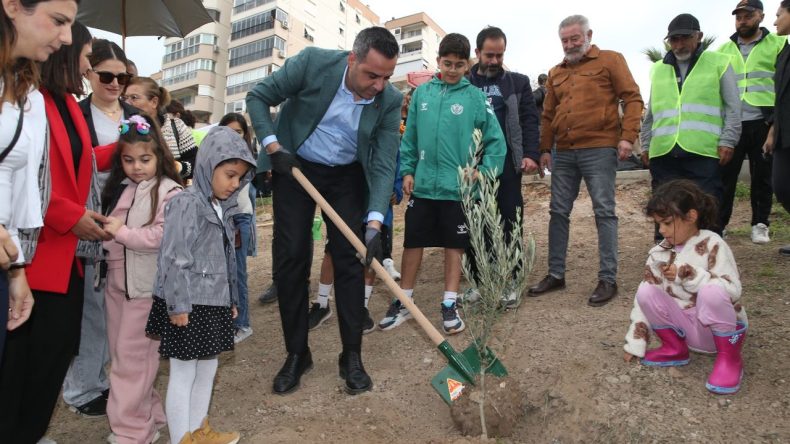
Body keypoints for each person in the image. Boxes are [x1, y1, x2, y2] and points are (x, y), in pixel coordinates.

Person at [246, 26, 402, 396]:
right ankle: (298, 353)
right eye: (372, 75)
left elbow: (382, 163)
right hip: (295, 165)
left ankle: (351, 356)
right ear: (352, 60)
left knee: (351, 259)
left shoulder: (389, 99)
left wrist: (375, 222)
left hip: (347, 175)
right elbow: (258, 96)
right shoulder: (313, 64)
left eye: (387, 77)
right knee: (292, 258)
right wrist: (272, 146)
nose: (379, 85)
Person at [0, 17, 107, 444]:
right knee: (22, 368)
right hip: (38, 251)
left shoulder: (65, 104)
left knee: (50, 361)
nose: (87, 65)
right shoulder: (31, 99)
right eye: (86, 56)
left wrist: (133, 142)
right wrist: (69, 217)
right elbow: (36, 182)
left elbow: (79, 163)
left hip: (66, 260)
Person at [378, 33, 506, 334]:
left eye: (459, 65)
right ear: (437, 61)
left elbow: (496, 142)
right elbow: (409, 138)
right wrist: (407, 170)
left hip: (458, 190)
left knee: (454, 245)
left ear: (468, 65)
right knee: (413, 242)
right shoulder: (422, 94)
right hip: (423, 186)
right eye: (447, 63)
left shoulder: (475, 97)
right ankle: (405, 301)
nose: (452, 70)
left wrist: (483, 172)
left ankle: (449, 303)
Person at [145, 126, 254, 444]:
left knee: (208, 367)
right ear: (208, 165)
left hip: (214, 301)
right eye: (230, 175)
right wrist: (177, 304)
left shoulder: (226, 208)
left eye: (240, 178)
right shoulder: (186, 203)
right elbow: (173, 257)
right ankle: (181, 438)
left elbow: (227, 259)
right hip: (188, 303)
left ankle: (198, 430)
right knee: (183, 371)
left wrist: (231, 297)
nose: (235, 184)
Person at [528, 15, 643, 306]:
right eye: (565, 40)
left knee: (604, 211)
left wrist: (627, 136)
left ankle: (608, 278)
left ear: (588, 35)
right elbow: (549, 115)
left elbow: (633, 98)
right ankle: (556, 273)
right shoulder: (556, 72)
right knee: (557, 211)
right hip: (564, 152)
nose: (569, 44)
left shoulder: (610, 60)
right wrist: (544, 148)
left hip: (599, 148)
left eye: (574, 38)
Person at [62, 37, 137, 419]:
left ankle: (106, 379)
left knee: (121, 308)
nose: (114, 84)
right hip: (90, 225)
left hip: (130, 224)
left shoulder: (135, 115)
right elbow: (69, 164)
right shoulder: (74, 115)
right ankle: (82, 386)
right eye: (106, 75)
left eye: (122, 77)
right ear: (89, 73)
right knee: (93, 309)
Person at [623, 179, 747, 394]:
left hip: (715, 333)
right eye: (658, 224)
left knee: (712, 289)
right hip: (684, 329)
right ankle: (674, 348)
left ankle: (730, 359)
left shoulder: (713, 244)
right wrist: (636, 341)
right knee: (645, 290)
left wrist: (688, 274)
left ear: (691, 216)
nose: (661, 230)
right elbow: (641, 303)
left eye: (667, 223)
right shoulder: (659, 254)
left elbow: (732, 290)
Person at [101, 113, 181, 444]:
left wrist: (123, 233)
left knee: (132, 363)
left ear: (159, 156)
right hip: (117, 286)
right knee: (126, 359)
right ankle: (150, 418)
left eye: (144, 159)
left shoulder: (169, 191)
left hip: (147, 291)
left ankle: (133, 433)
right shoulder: (121, 189)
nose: (136, 167)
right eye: (129, 159)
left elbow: (164, 237)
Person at [0, 0, 73, 365]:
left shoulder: (27, 92)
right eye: (58, 21)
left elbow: (17, 186)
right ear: (13, 6)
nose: (67, 37)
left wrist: (16, 270)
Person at [641, 13, 741, 240]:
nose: (679, 44)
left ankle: (708, 254)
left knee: (705, 207)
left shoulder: (719, 62)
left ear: (699, 36)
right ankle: (665, 257)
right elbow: (651, 113)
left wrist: (728, 140)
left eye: (684, 38)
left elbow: (733, 107)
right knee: (664, 207)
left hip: (703, 151)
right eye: (673, 40)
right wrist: (646, 145)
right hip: (664, 151)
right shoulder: (658, 69)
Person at [468, 26, 540, 306]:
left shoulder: (518, 82)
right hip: (473, 164)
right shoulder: (465, 82)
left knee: (511, 221)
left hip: (508, 164)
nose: (494, 61)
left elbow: (529, 120)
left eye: (499, 55)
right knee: (477, 221)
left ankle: (512, 281)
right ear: (477, 53)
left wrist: (531, 154)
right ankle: (479, 281)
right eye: (489, 55)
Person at [717, 0, 783, 244]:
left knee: (763, 175)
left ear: (761, 16)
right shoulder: (723, 50)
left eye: (747, 15)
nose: (742, 20)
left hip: (764, 121)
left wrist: (776, 122)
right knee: (725, 176)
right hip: (734, 122)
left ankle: (760, 223)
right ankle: (720, 224)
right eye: (738, 16)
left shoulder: (779, 44)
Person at [219, 112, 258, 344]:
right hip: (221, 218)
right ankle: (229, 320)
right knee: (222, 274)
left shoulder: (245, 160)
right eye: (228, 130)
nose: (233, 136)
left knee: (238, 274)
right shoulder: (216, 155)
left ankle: (242, 324)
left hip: (238, 219)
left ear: (245, 135)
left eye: (238, 132)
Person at [124, 76, 198, 180]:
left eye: (134, 97)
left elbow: (196, 162)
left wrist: (178, 167)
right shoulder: (124, 128)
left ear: (154, 102)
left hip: (170, 193)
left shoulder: (176, 126)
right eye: (125, 98)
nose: (127, 103)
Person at [767, 0, 790, 256]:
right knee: (782, 185)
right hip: (785, 132)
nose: (775, 21)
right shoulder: (784, 52)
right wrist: (773, 130)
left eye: (779, 15)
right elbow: (780, 96)